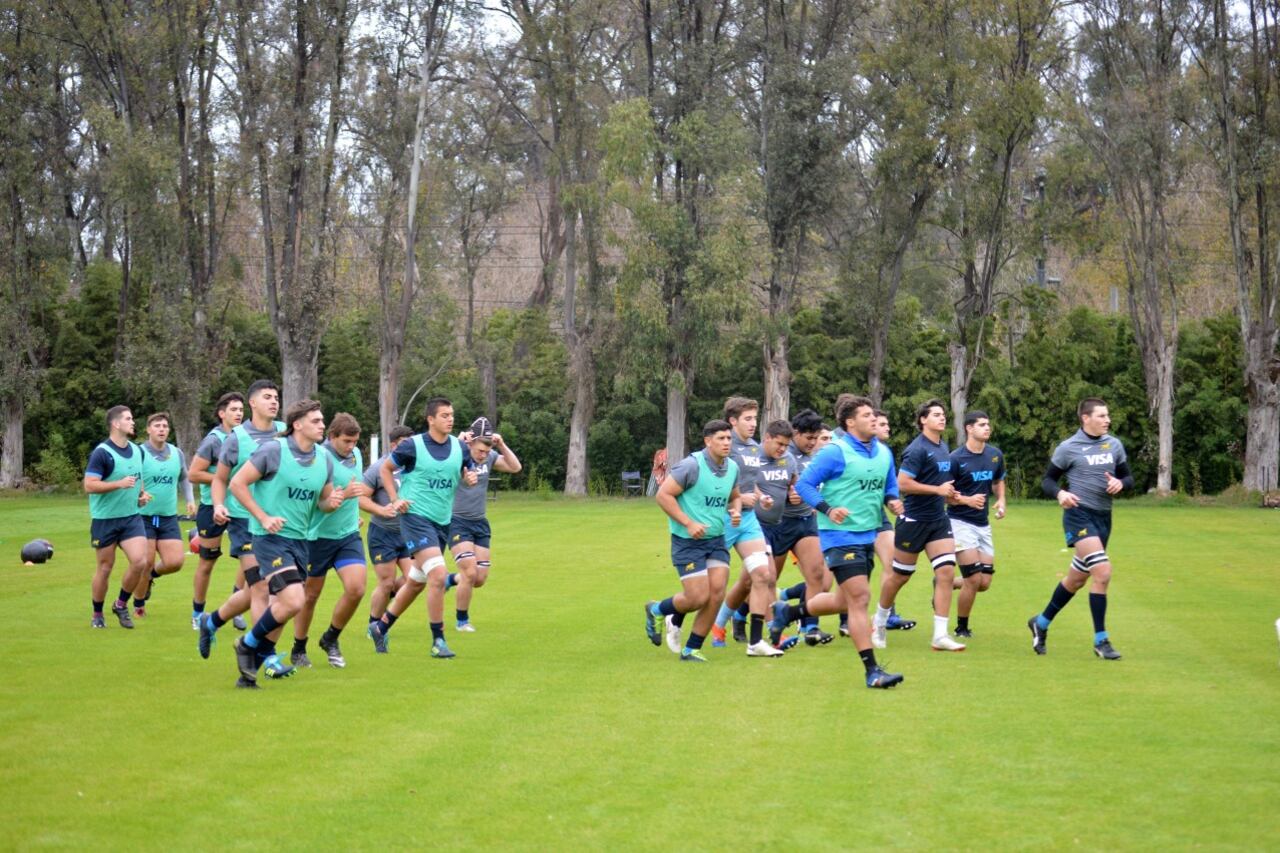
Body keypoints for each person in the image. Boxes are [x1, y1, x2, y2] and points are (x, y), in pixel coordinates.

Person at [775, 395, 904, 688]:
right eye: (867, 415)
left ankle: (790, 611)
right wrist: (828, 509)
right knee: (860, 598)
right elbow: (804, 485)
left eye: (875, 415)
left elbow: (889, 488)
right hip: (838, 537)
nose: (874, 419)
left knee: (841, 600)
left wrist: (893, 502)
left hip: (867, 534)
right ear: (850, 422)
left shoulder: (884, 453)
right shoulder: (835, 452)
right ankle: (872, 671)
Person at [228, 399, 342, 688]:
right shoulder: (272, 451)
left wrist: (334, 502)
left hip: (300, 541)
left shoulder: (325, 459)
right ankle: (250, 644)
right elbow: (237, 484)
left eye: (322, 420)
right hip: (270, 539)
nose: (322, 425)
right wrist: (263, 517)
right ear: (297, 424)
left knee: (284, 605)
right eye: (316, 421)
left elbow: (323, 503)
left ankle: (249, 672)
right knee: (293, 600)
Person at [367, 397, 478, 659]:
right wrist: (395, 499)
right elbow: (385, 468)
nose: (450, 419)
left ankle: (380, 626)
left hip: (442, 522)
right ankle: (438, 640)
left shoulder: (460, 447)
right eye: (444, 415)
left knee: (415, 582)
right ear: (430, 419)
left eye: (451, 415)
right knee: (438, 576)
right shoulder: (412, 446)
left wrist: (469, 477)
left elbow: (467, 470)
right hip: (415, 518)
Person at [1028, 397, 1131, 660]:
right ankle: (1101, 640)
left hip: (1104, 518)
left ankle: (1040, 623)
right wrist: (1060, 494)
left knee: (1076, 580)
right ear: (1086, 418)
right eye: (1101, 416)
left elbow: (1128, 477)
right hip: (1078, 516)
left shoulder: (1114, 445)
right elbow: (1048, 480)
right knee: (1103, 572)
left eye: (1108, 415)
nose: (1107, 420)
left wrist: (1121, 484)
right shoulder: (1069, 447)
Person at [196, 380, 286, 668]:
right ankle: (263, 655)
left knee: (256, 590)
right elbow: (221, 479)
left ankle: (213, 620)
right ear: (253, 404)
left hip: (279, 523)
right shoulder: (235, 438)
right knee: (261, 589)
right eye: (267, 397)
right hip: (244, 521)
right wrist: (220, 504)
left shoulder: (286, 432)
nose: (274, 401)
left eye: (276, 397)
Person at [645, 420, 744, 662]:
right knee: (697, 597)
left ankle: (691, 649)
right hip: (687, 542)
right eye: (721, 438)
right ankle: (656, 609)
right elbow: (663, 495)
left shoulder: (732, 468)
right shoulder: (691, 466)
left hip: (716, 540)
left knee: (717, 593)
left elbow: (735, 496)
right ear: (707, 441)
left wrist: (736, 510)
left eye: (729, 438)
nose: (726, 443)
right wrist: (689, 523)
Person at [872, 398, 966, 652]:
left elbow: (940, 484)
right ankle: (879, 620)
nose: (942, 417)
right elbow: (903, 484)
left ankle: (940, 635)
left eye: (943, 414)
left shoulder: (943, 446)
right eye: (935, 414)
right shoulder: (917, 449)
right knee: (899, 576)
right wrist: (937, 490)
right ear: (923, 420)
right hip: (913, 522)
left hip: (938, 520)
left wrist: (949, 494)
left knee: (946, 572)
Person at [290, 413, 371, 668]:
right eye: (346, 441)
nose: (351, 447)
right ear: (332, 436)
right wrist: (344, 497)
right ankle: (299, 647)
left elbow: (354, 489)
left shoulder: (355, 455)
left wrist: (354, 513)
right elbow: (310, 500)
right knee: (310, 595)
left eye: (355, 442)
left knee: (356, 588)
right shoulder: (317, 458)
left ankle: (331, 638)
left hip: (347, 535)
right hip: (316, 537)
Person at [708, 397, 784, 656]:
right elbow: (718, 486)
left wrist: (760, 496)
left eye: (755, 418)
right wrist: (739, 499)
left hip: (749, 520)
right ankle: (675, 615)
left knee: (763, 575)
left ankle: (762, 638)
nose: (753, 424)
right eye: (748, 419)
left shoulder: (754, 448)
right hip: (724, 520)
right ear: (732, 421)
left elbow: (751, 483)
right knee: (707, 590)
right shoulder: (725, 450)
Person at [753, 417, 833, 647]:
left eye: (817, 438)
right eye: (809, 438)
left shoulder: (792, 458)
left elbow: (797, 485)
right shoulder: (756, 457)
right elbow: (746, 484)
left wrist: (798, 493)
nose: (813, 442)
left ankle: (811, 627)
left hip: (806, 521)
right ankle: (743, 617)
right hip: (776, 524)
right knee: (766, 579)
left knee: (817, 574)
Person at [443, 418, 522, 632]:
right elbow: (440, 457)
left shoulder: (488, 458)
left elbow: (515, 467)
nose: (482, 456)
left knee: (479, 579)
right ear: (470, 443)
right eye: (479, 451)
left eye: (486, 452)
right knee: (469, 572)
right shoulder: (456, 456)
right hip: (457, 521)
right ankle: (462, 621)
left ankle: (449, 580)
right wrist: (457, 442)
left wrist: (501, 445)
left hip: (480, 522)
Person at [83, 405, 152, 629]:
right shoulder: (102, 453)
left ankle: (121, 604)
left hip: (131, 517)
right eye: (128, 419)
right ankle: (97, 614)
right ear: (116, 424)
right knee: (105, 568)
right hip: (105, 520)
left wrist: (140, 495)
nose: (133, 422)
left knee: (140, 562)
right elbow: (89, 485)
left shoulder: (138, 450)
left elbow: (138, 477)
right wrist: (118, 485)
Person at [187, 392, 245, 629]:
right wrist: (224, 478)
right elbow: (193, 474)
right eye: (233, 410)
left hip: (241, 508)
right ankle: (197, 613)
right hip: (213, 507)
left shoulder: (246, 437)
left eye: (241, 409)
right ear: (222, 414)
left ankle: (237, 604)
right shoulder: (213, 440)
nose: (239, 413)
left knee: (248, 558)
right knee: (207, 563)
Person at [131, 412, 196, 616]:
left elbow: (184, 478)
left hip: (168, 517)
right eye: (157, 425)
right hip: (144, 517)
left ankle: (150, 577)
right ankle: (139, 605)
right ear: (148, 429)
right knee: (145, 561)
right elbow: (131, 477)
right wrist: (140, 492)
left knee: (175, 562)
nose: (161, 429)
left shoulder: (176, 453)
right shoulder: (139, 453)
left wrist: (190, 499)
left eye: (165, 426)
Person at [948, 411, 1006, 638]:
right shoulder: (955, 458)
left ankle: (947, 583)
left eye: (988, 424)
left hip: (983, 524)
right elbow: (944, 494)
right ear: (969, 429)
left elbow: (999, 480)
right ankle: (962, 627)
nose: (987, 428)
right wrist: (966, 500)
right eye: (982, 424)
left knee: (984, 582)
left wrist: (1001, 500)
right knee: (973, 578)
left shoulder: (994, 455)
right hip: (959, 522)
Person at [360, 425, 415, 638]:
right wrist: (381, 510)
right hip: (382, 533)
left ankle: (386, 597)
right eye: (405, 444)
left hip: (407, 532)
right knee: (386, 582)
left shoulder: (414, 467)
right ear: (394, 445)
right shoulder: (378, 468)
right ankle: (374, 625)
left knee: (414, 580)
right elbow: (361, 498)